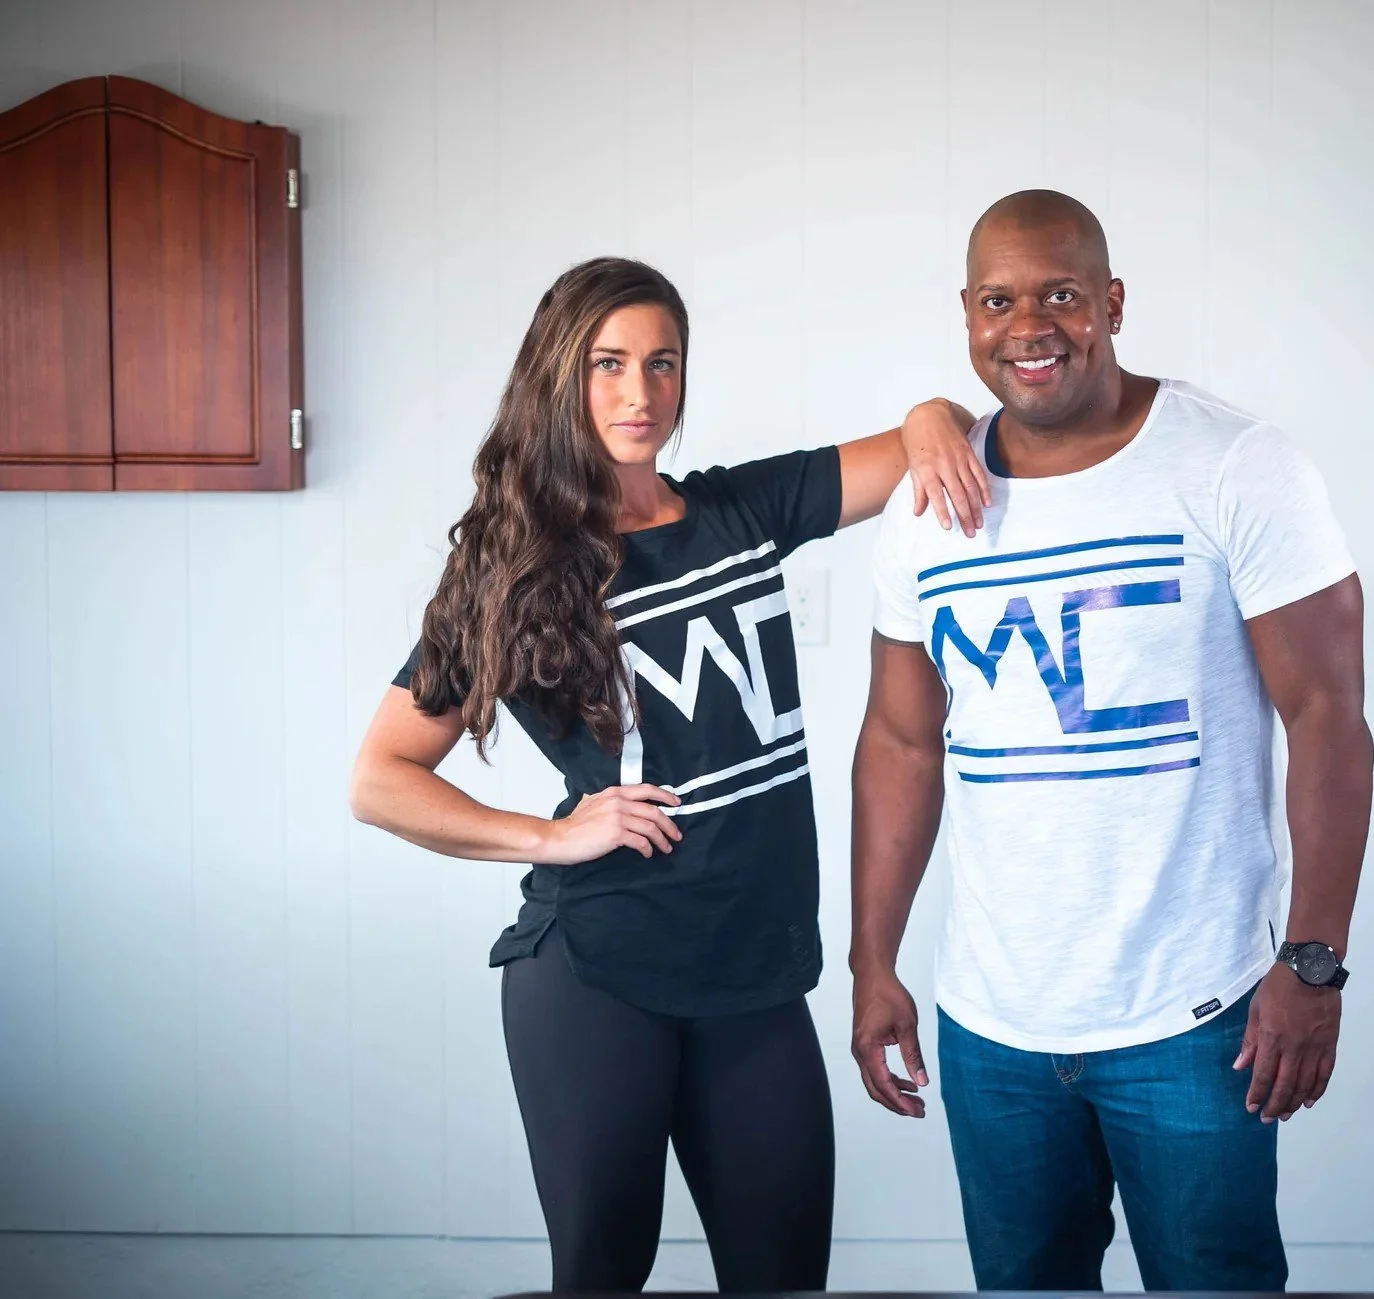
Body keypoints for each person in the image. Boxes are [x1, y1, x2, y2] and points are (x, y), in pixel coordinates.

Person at [348, 256, 986, 1294]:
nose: (639, 394)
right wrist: (551, 836)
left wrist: (928, 404)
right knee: (602, 1275)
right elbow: (380, 776)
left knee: (782, 1279)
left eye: (661, 363)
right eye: (607, 365)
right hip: (597, 974)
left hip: (756, 978)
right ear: (561, 378)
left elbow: (926, 445)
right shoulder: (515, 568)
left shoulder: (742, 511)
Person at [848, 190, 1374, 1291]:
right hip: (991, 1028)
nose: (1029, 326)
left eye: (1061, 296)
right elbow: (901, 742)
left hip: (1194, 1017)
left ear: (1113, 303)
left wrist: (1312, 964)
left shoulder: (1235, 465)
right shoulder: (926, 504)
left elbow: (1327, 720)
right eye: (1000, 300)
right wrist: (871, 960)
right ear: (967, 316)